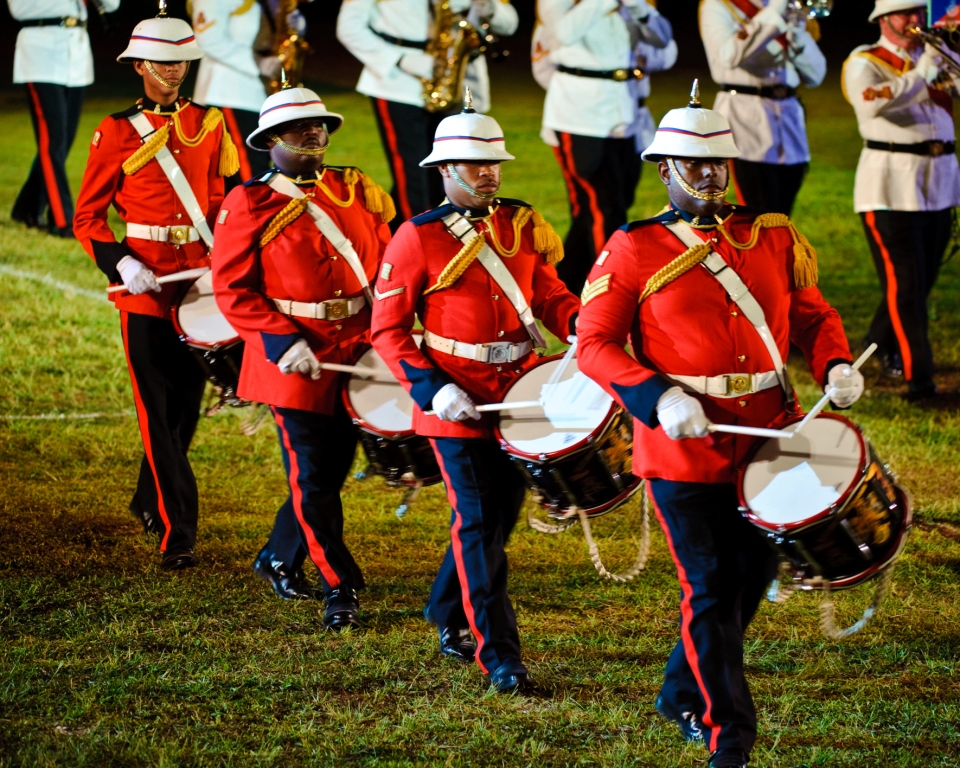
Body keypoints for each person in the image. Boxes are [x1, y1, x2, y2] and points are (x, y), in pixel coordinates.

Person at [576, 86, 862, 768]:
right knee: (708, 583)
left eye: (717, 163)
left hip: (770, 434)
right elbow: (592, 343)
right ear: (662, 170)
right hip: (682, 446)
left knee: (750, 575)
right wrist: (653, 395)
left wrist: (837, 362)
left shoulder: (772, 235)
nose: (707, 175)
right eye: (690, 163)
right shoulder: (634, 247)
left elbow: (814, 314)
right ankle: (727, 731)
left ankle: (680, 691)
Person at [370, 93, 580, 692]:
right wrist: (432, 389)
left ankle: (444, 607)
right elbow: (386, 330)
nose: (490, 174)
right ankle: (500, 654)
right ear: (443, 171)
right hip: (454, 401)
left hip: (518, 393)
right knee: (479, 519)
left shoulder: (521, 223)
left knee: (496, 518)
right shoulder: (416, 237)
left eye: (494, 164)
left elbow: (548, 294)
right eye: (476, 165)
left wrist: (580, 325)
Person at [212, 80, 394, 629]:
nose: (313, 134)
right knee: (313, 474)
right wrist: (280, 341)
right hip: (296, 355)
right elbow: (233, 289)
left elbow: (388, 261)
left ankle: (276, 556)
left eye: (318, 126)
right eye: (298, 129)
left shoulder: (355, 187)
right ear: (271, 141)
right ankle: (338, 585)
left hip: (360, 347)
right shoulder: (250, 202)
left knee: (330, 471)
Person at [73, 6, 235, 570]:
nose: (174, 71)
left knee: (185, 408)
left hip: (201, 283)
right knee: (154, 407)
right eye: (163, 62)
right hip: (145, 282)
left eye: (182, 61)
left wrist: (229, 262)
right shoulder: (116, 130)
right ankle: (177, 532)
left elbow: (234, 204)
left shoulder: (213, 124)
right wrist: (120, 263)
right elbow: (88, 217)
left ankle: (148, 497)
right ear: (139, 63)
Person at [843, 0, 960, 399]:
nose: (915, 20)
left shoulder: (935, 55)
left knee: (919, 282)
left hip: (939, 182)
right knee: (908, 287)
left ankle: (878, 342)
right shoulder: (865, 60)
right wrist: (922, 72)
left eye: (919, 12)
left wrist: (948, 57)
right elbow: (870, 102)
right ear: (883, 18)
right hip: (889, 187)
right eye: (905, 12)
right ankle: (920, 380)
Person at [336, 0, 519, 229]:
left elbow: (509, 23)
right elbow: (349, 26)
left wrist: (488, 7)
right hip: (398, 81)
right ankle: (422, 241)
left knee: (449, 176)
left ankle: (406, 241)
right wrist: (400, 59)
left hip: (455, 77)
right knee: (413, 178)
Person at [537, 0, 676, 295]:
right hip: (579, 113)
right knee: (604, 205)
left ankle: (567, 281)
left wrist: (639, 9)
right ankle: (615, 289)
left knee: (615, 201)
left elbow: (663, 40)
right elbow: (563, 32)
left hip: (625, 111)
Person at [699, 0, 826, 215]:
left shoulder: (787, 6)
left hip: (788, 120)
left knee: (781, 217)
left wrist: (797, 34)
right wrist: (775, 11)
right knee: (756, 214)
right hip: (745, 118)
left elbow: (815, 75)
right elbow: (729, 55)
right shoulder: (719, 5)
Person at [9, 0, 121, 237]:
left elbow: (111, 5)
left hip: (76, 53)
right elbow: (18, 8)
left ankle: (26, 208)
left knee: (62, 143)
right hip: (41, 54)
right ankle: (63, 220)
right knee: (54, 142)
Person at [190, 0, 281, 191]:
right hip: (227, 93)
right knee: (249, 177)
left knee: (257, 169)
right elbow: (208, 39)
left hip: (254, 94)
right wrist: (256, 63)